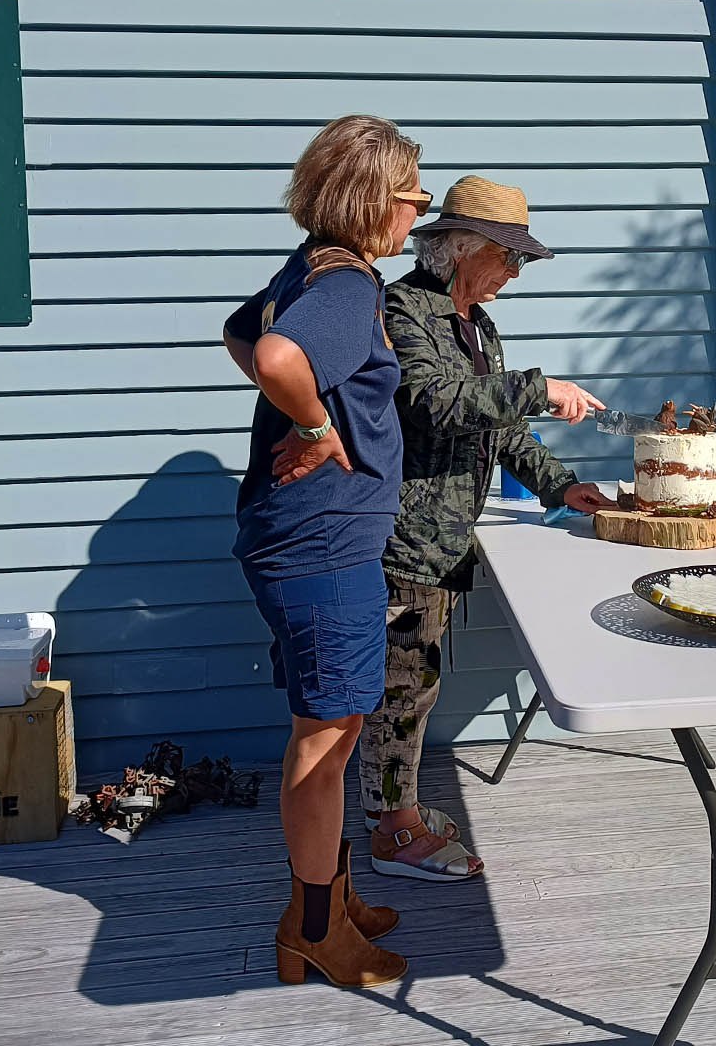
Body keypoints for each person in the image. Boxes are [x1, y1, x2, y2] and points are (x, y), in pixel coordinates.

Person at [360, 174, 616, 880]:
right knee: (402, 687)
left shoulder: (477, 325)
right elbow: (432, 400)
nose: (515, 271)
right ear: (461, 249)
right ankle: (394, 834)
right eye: (508, 256)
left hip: (444, 542)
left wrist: (562, 485)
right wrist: (539, 388)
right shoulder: (403, 310)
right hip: (406, 537)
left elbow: (498, 430)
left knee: (416, 683)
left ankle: (398, 810)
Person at [223, 115, 429, 987]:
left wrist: (312, 415)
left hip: (309, 539)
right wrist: (313, 426)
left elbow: (239, 332)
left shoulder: (311, 266)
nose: (418, 214)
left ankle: (331, 900)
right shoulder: (347, 287)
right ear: (375, 199)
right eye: (414, 197)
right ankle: (314, 930)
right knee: (326, 740)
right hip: (324, 545)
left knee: (330, 730)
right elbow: (273, 355)